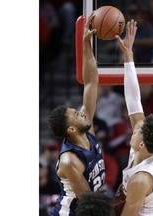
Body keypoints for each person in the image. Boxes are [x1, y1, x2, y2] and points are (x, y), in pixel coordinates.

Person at [115, 19, 153, 215]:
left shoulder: (141, 179)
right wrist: (128, 55)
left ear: (141, 144)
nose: (134, 126)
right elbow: (133, 99)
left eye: (137, 131)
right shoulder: (145, 147)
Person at [47, 13, 106, 216]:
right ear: (71, 129)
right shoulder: (69, 161)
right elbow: (90, 202)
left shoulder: (85, 127)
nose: (81, 113)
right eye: (76, 114)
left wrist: (86, 45)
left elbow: (91, 82)